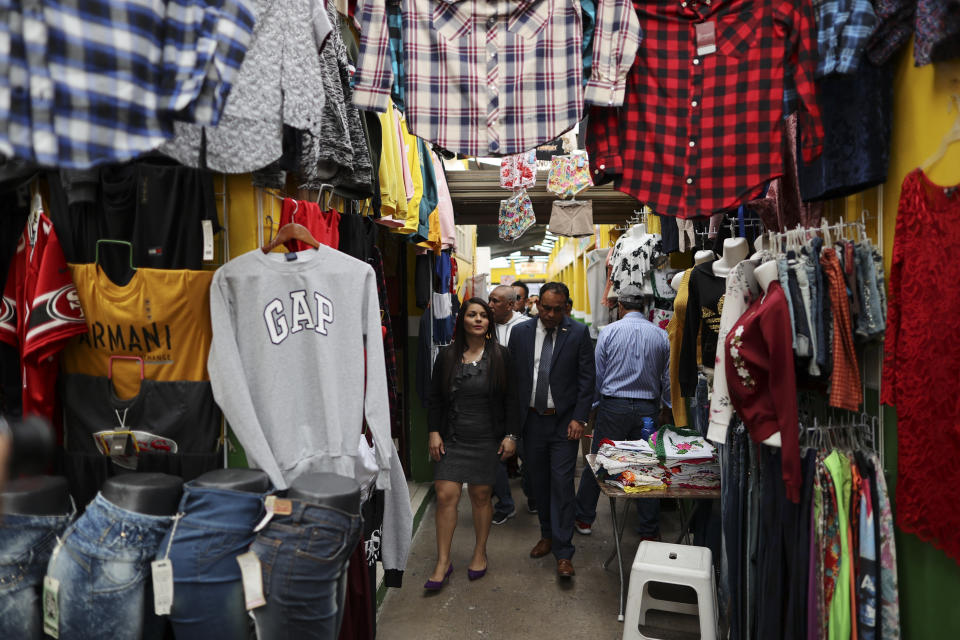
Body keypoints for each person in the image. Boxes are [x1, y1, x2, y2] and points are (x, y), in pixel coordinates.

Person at [426, 298, 518, 589]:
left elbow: (513, 399)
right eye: (472, 315)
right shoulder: (447, 356)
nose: (478, 319)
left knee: (480, 496)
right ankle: (443, 561)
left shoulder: (502, 356)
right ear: (462, 320)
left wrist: (511, 435)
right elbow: (435, 398)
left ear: (489, 322)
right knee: (445, 494)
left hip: (487, 437)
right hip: (452, 436)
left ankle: (480, 551)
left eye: (483, 315)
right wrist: (433, 431)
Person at [507, 282, 594, 578]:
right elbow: (513, 379)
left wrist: (580, 419)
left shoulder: (579, 333)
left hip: (563, 423)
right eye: (546, 307)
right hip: (531, 422)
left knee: (561, 484)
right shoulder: (520, 333)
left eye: (558, 309)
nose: (551, 314)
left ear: (566, 307)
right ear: (538, 305)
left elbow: (586, 379)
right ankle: (546, 535)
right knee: (538, 482)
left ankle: (564, 551)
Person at [573, 284, 672, 540]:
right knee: (646, 465)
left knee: (598, 461)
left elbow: (598, 375)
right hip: (648, 410)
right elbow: (667, 378)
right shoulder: (660, 335)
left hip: (613, 406)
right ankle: (648, 530)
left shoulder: (609, 332)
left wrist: (593, 409)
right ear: (645, 307)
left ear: (620, 306)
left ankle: (584, 519)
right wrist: (667, 408)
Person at [487, 286, 528, 524]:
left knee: (527, 455)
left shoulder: (526, 327)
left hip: (520, 402)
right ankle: (505, 504)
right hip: (493, 404)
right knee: (496, 457)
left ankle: (533, 495)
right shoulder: (485, 325)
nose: (490, 305)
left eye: (496, 301)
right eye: (489, 300)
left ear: (511, 305)